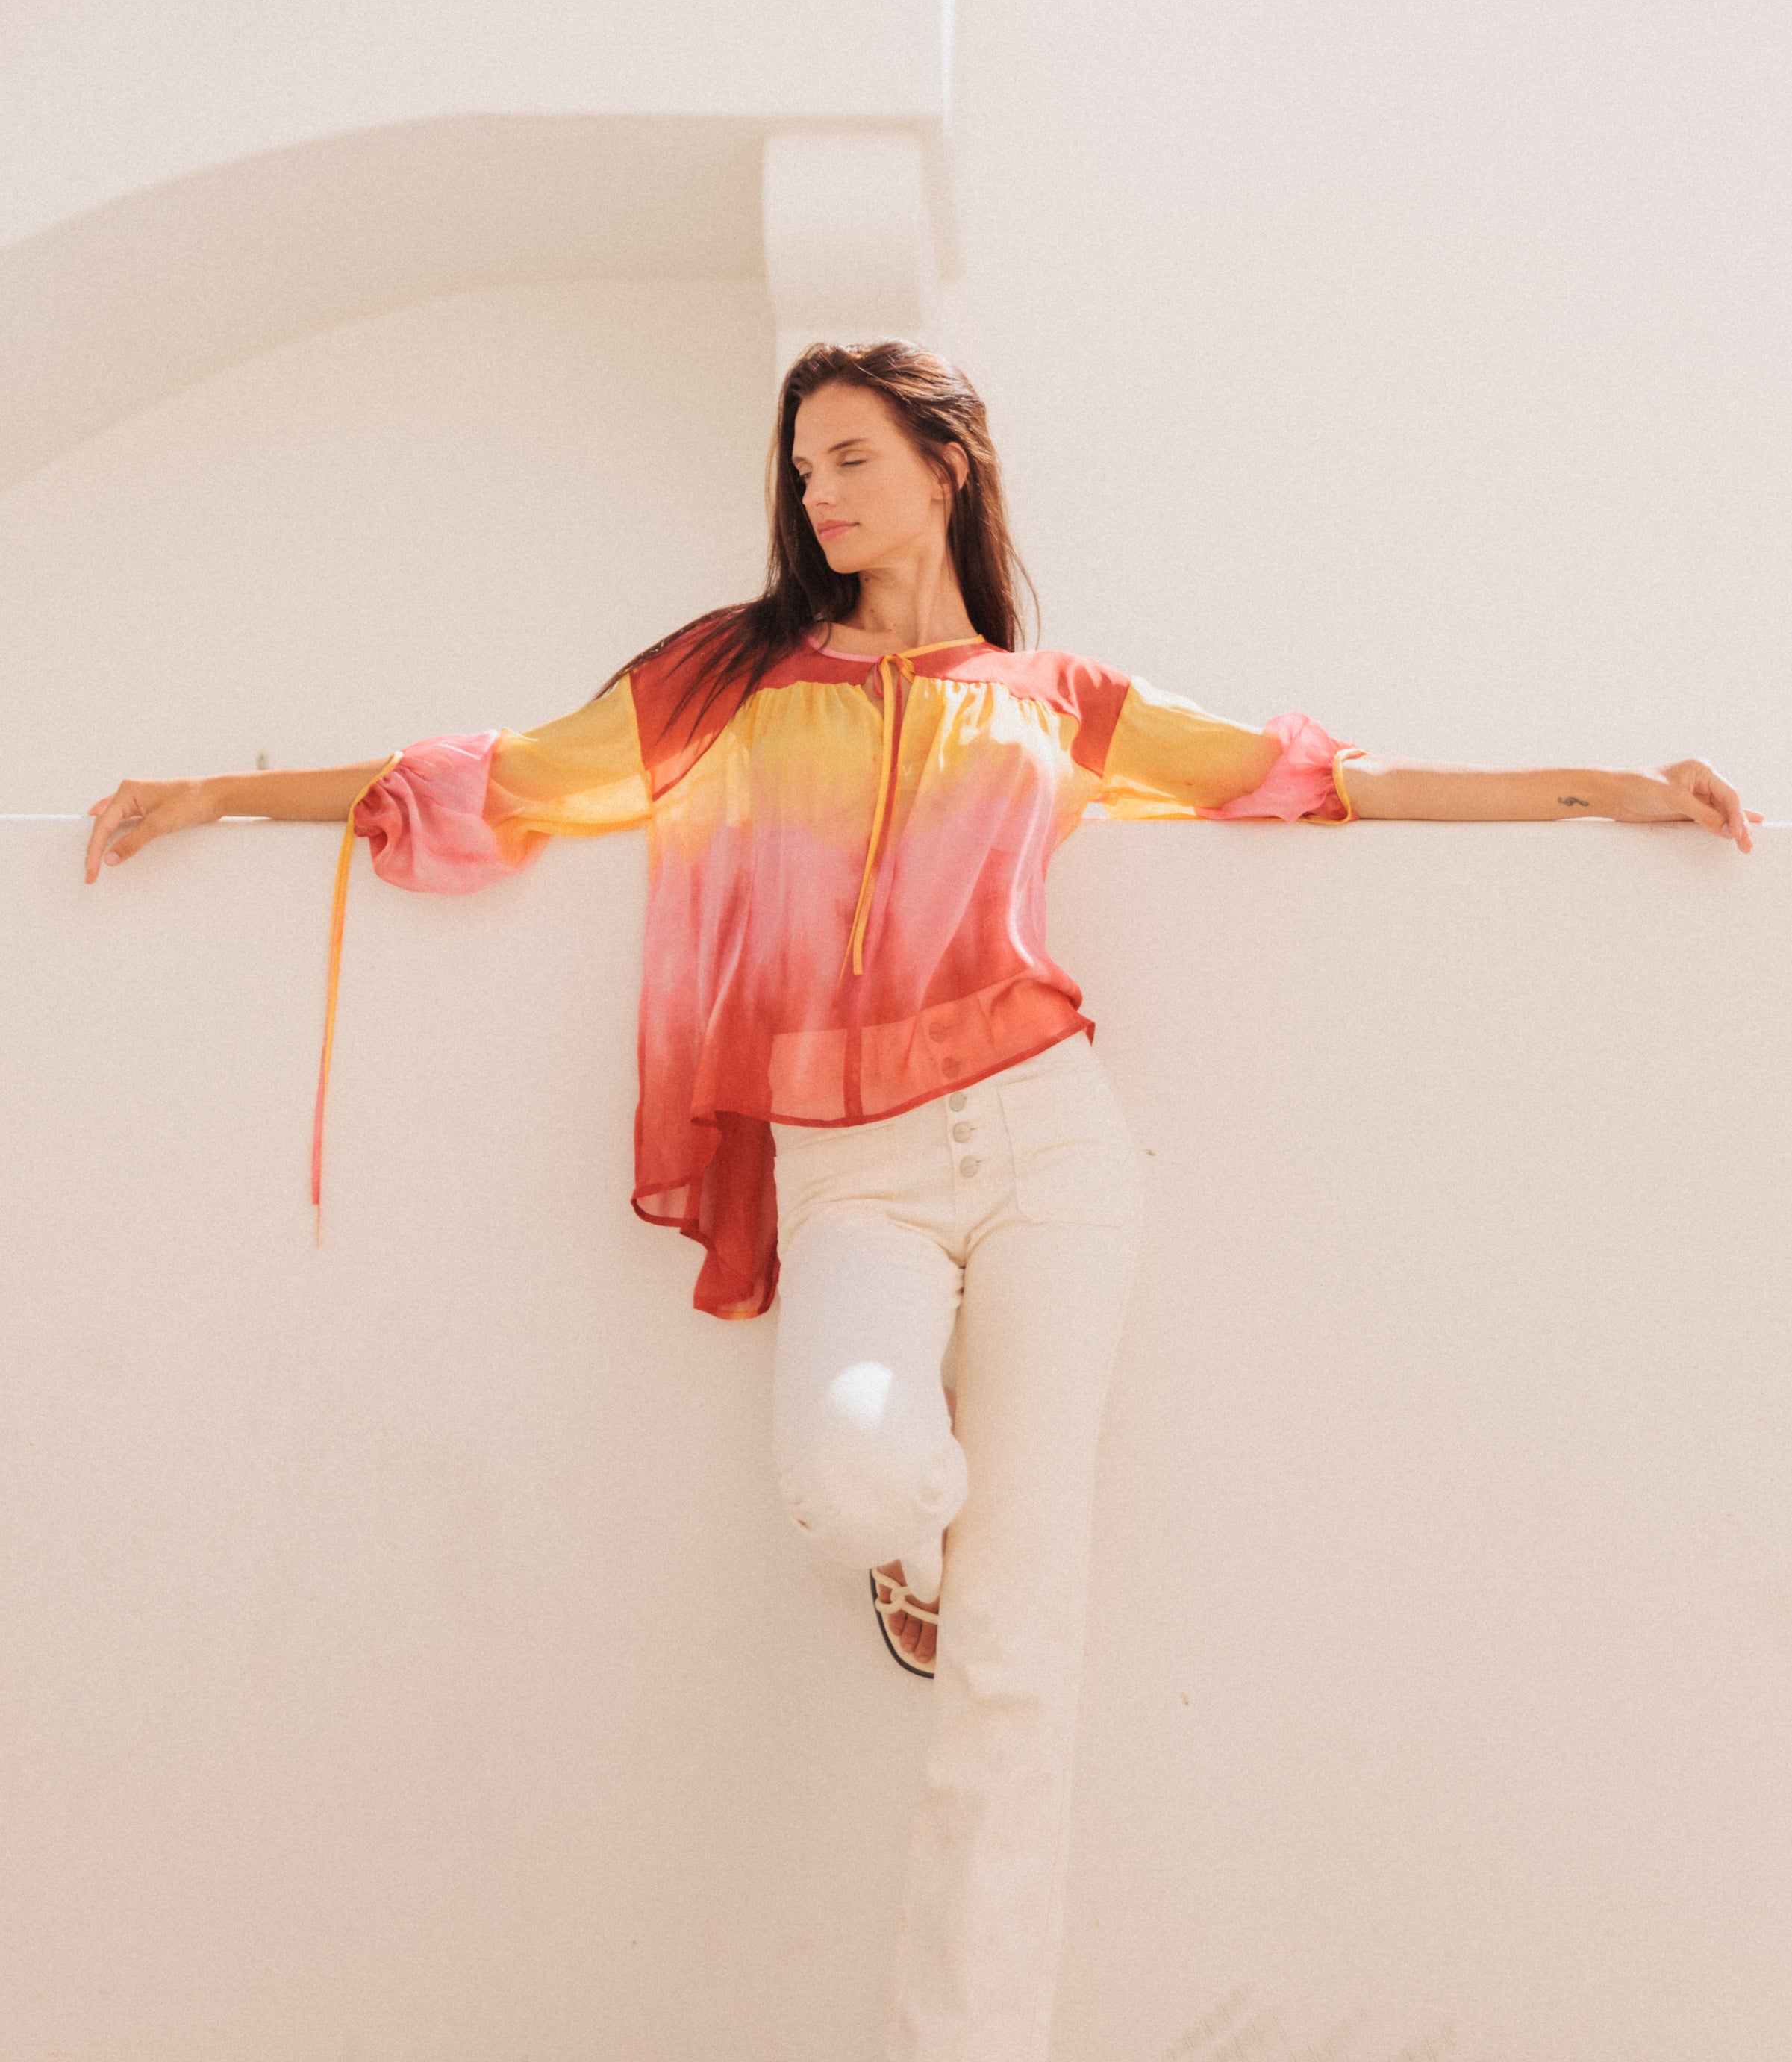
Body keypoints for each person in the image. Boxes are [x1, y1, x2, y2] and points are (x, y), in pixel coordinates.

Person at [81, 337, 1756, 2062]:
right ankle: (920, 1552)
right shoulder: (733, 685)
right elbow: (492, 777)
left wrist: (1614, 791)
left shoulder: (1059, 702)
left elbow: (1327, 779)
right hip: (853, 1168)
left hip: (1047, 1151)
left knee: (1018, 1661)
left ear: (945, 466)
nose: (816, 493)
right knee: (854, 1473)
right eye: (802, 467)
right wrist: (215, 792)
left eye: (850, 457)